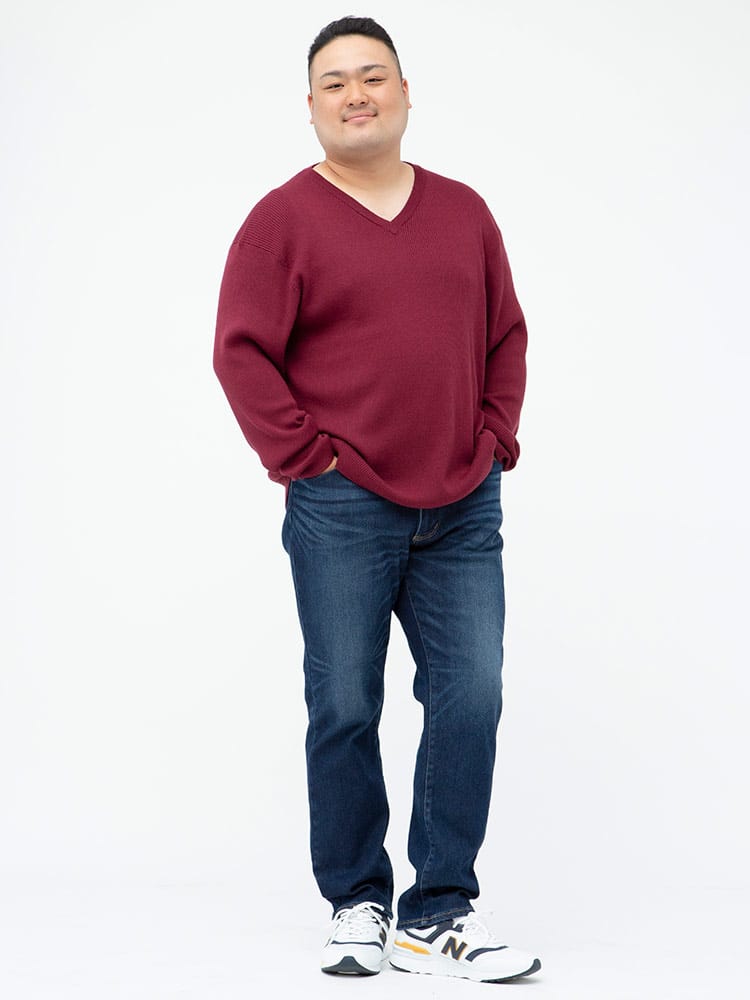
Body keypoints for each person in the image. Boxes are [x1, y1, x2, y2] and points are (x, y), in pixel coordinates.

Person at [213, 15, 541, 985]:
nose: (356, 94)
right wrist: (307, 459)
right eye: (335, 82)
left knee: (471, 694)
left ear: (404, 91)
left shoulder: (464, 211)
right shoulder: (283, 219)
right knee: (345, 703)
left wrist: (495, 437)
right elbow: (241, 352)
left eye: (373, 76)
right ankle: (357, 899)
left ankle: (436, 912)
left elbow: (506, 334)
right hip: (343, 505)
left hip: (463, 503)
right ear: (312, 105)